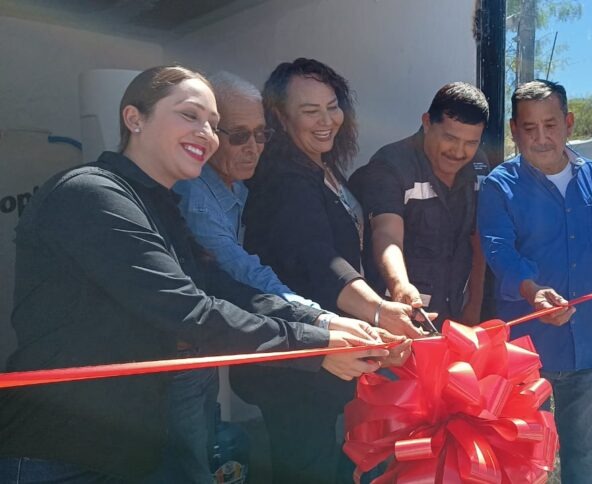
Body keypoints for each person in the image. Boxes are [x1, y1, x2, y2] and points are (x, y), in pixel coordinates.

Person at [0, 65, 390, 483]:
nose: (207, 133)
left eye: (214, 124)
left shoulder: (160, 206)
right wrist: (317, 346)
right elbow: (190, 311)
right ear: (135, 119)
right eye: (190, 116)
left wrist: (322, 322)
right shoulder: (93, 194)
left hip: (134, 447)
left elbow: (227, 287)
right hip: (60, 455)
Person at [235, 58, 423, 483]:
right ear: (280, 117)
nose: (327, 120)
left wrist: (388, 298)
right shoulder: (283, 179)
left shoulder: (320, 166)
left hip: (331, 351)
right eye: (309, 111)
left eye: (332, 106)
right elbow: (318, 259)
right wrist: (377, 309)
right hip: (296, 364)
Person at [478, 79, 592, 484]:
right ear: (513, 130)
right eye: (529, 128)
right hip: (527, 354)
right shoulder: (499, 187)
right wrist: (533, 292)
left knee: (582, 455)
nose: (541, 138)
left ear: (569, 123)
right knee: (526, 461)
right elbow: (500, 254)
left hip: (588, 348)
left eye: (551, 125)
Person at [165, 71, 329, 483]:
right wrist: (316, 316)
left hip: (204, 345)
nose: (254, 147)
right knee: (189, 466)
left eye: (261, 134)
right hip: (176, 353)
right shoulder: (196, 194)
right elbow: (240, 268)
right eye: (239, 135)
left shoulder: (236, 187)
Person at [350, 82, 488, 324]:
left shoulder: (480, 165)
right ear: (426, 122)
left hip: (456, 314)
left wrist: (475, 305)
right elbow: (387, 234)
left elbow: (479, 240)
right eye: (450, 138)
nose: (459, 152)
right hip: (399, 315)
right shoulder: (390, 165)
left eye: (471, 143)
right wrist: (400, 286)